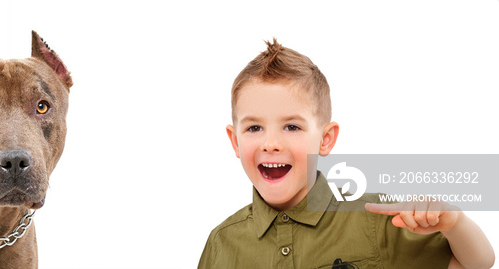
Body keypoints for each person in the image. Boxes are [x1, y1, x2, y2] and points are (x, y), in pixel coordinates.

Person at [197, 39, 495, 268]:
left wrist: (456, 224)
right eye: (254, 129)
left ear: (325, 140)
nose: (270, 143)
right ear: (235, 142)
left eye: (291, 126)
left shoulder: (376, 219)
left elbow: (477, 263)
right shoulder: (221, 243)